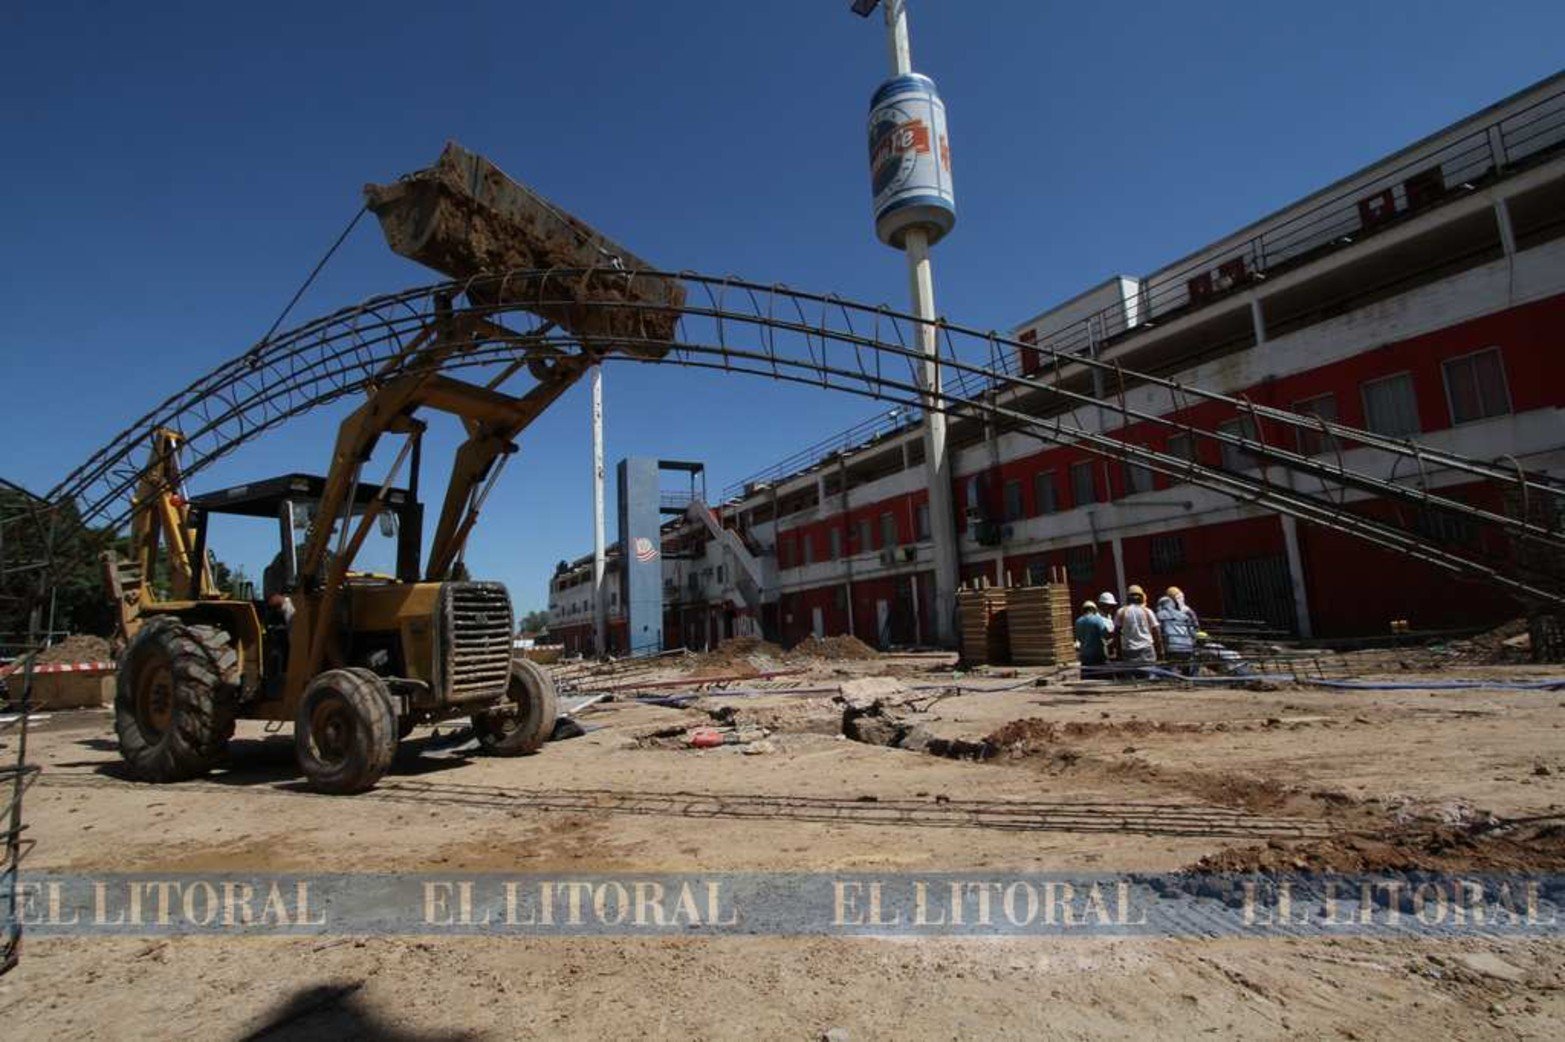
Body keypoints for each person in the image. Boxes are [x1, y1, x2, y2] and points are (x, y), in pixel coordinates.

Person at [1113, 584, 1160, 679]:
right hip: (1147, 650)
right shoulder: (1147, 611)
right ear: (1142, 597)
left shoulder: (1121, 612)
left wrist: (1118, 651)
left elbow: (1116, 633)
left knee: (1132, 682)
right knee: (1150, 680)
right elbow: (1156, 631)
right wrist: (1160, 649)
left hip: (1129, 650)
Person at [1156, 591, 1198, 676]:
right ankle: (1190, 684)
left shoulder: (1159, 615)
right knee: (1188, 669)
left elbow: (1158, 632)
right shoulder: (1183, 615)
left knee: (1173, 670)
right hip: (1187, 646)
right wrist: (1192, 644)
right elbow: (1192, 632)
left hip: (1172, 647)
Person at [1074, 600, 1111, 679]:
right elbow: (1105, 634)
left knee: (1087, 678)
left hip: (1084, 655)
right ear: (1094, 609)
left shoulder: (1078, 621)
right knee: (1100, 678)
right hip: (1097, 654)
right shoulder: (1097, 619)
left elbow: (1078, 638)